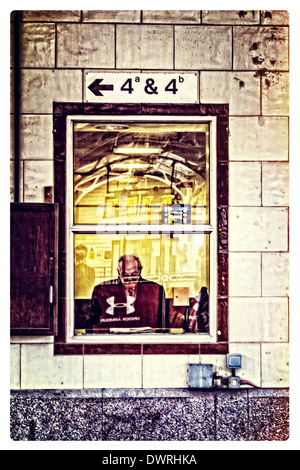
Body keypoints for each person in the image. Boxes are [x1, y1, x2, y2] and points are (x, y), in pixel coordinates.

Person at [90, 254, 166, 331]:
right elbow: (95, 324)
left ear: (140, 271)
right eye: (124, 274)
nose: (129, 278)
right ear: (118, 272)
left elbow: (163, 325)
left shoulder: (155, 290)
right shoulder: (102, 290)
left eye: (134, 274)